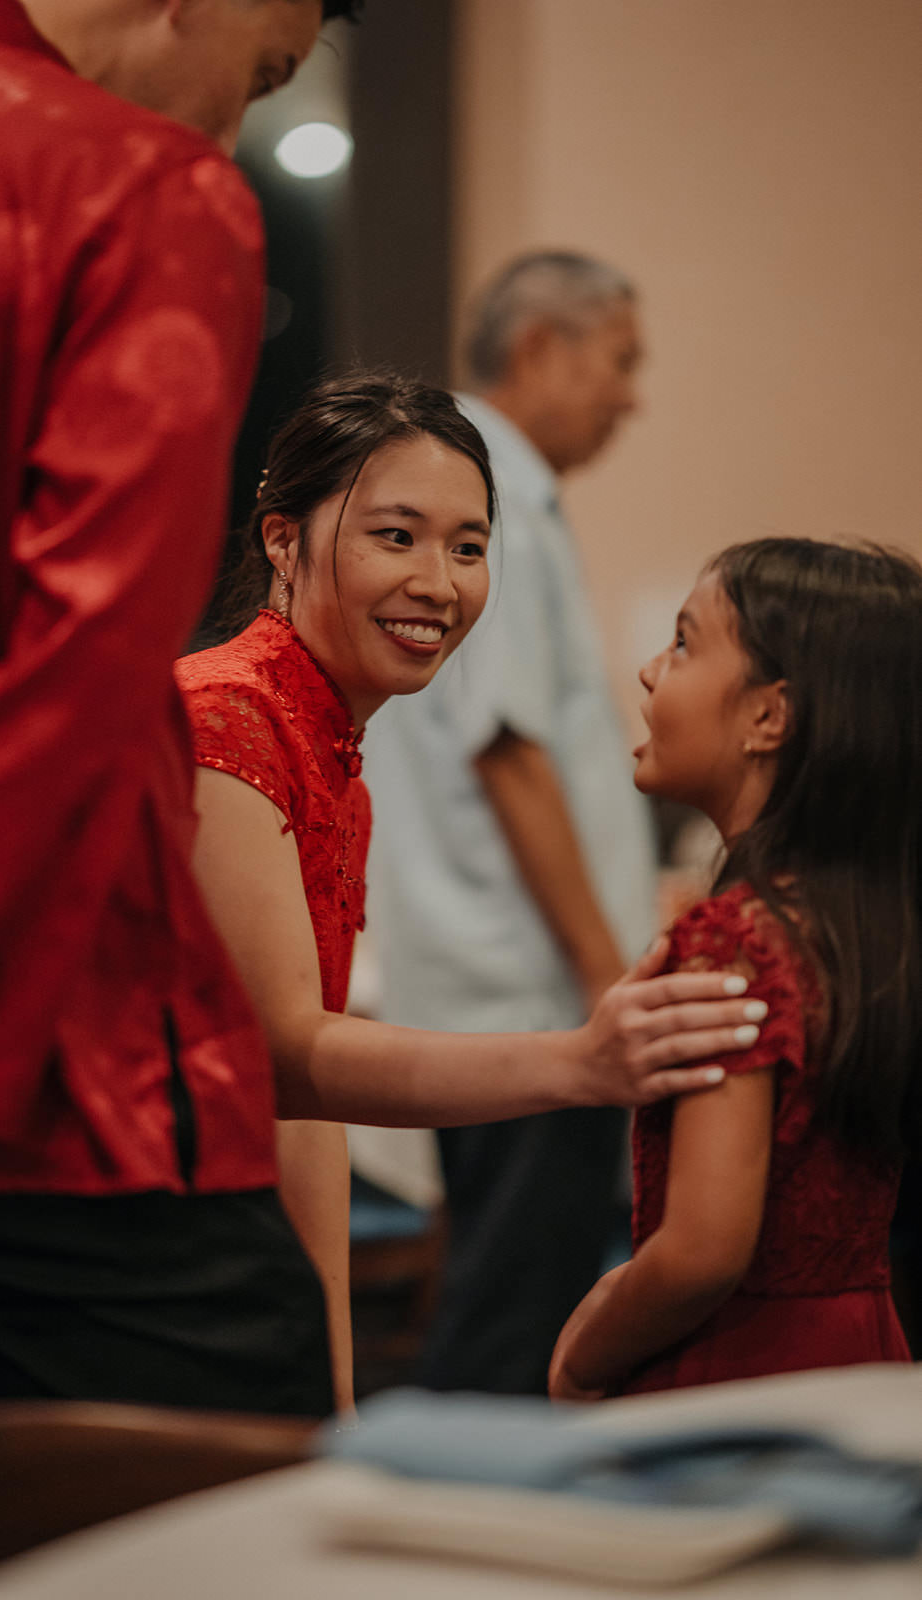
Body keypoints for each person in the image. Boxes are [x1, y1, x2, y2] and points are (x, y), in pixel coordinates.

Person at [0, 0, 363, 1431]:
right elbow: (78, 666)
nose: (230, 127)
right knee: (235, 1517)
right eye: (262, 76)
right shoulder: (135, 186)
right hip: (44, 1064)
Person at [176, 373, 769, 1409]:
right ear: (281, 539)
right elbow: (285, 1056)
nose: (439, 584)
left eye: (466, 546)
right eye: (394, 537)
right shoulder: (229, 720)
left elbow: (303, 1101)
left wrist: (330, 1368)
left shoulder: (323, 732)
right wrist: (581, 1060)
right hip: (131, 1240)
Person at [364, 251, 657, 1393]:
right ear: (542, 347)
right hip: (529, 990)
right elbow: (508, 750)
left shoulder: (499, 490)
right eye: (619, 362)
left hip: (503, 979)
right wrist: (602, 977)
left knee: (507, 1295)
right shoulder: (490, 495)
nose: (630, 395)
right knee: (512, 1322)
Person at [549, 538, 920, 1400]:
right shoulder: (864, 926)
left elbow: (702, 1251)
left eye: (681, 643)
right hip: (867, 1354)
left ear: (768, 717)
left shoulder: (736, 939)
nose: (648, 671)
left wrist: (585, 1349)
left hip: (744, 1373)